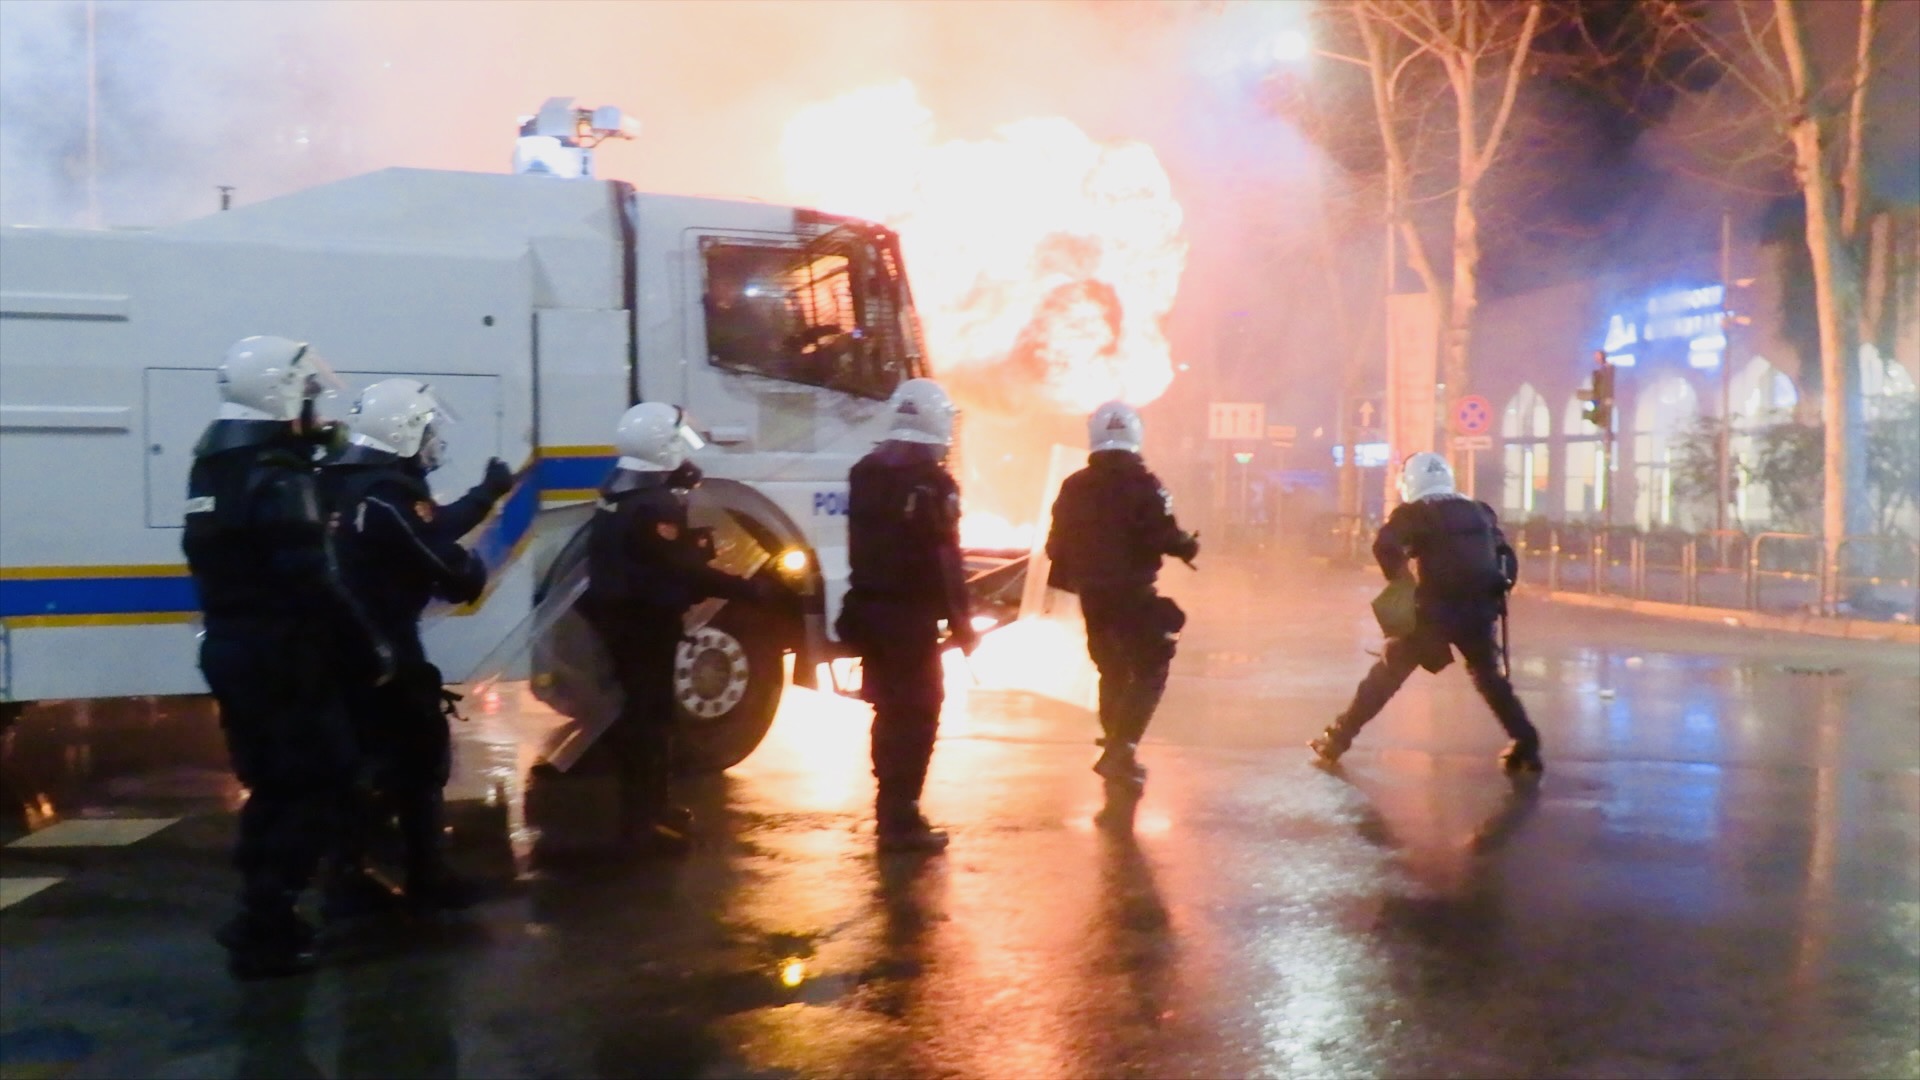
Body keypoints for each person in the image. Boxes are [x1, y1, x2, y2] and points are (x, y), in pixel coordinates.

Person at [183, 335, 393, 978]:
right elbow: (311, 578)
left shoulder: (214, 465)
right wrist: (368, 646)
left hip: (232, 644)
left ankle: (261, 908)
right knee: (316, 781)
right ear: (280, 398)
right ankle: (268, 923)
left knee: (272, 784)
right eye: (307, 397)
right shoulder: (278, 473)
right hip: (284, 651)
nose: (317, 413)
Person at [324, 378, 514, 913]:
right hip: (384, 645)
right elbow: (439, 560)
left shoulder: (344, 480)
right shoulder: (388, 493)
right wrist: (469, 569)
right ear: (404, 431)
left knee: (370, 758)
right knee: (418, 758)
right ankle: (419, 876)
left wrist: (483, 495)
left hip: (348, 641)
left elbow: (430, 527)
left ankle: (352, 871)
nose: (432, 440)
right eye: (426, 428)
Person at [580, 402, 777, 854]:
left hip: (621, 620)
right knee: (651, 723)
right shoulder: (656, 506)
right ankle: (644, 824)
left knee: (642, 718)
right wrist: (747, 589)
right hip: (645, 625)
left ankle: (649, 812)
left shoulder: (618, 490)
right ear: (661, 447)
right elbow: (684, 571)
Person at [1310, 451, 1543, 773]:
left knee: (1386, 676)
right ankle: (1527, 744)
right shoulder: (1480, 511)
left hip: (1433, 611)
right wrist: (1498, 591)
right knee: (1489, 678)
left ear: (1410, 481)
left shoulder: (1414, 513)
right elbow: (1504, 554)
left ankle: (1336, 739)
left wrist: (1402, 584)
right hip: (1478, 608)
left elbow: (1385, 546)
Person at [836, 378, 976, 853]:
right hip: (909, 621)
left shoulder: (865, 471)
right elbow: (944, 558)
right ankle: (902, 817)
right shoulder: (934, 482)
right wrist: (963, 624)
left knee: (888, 709)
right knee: (919, 713)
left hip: (868, 612)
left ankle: (888, 806)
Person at [1045, 401, 1199, 789]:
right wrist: (1186, 546)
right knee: (1151, 667)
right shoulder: (1145, 485)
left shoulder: (1073, 486)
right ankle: (1121, 750)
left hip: (1091, 597)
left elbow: (1054, 546)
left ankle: (1115, 745)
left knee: (1110, 669)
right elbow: (1164, 535)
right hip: (1132, 593)